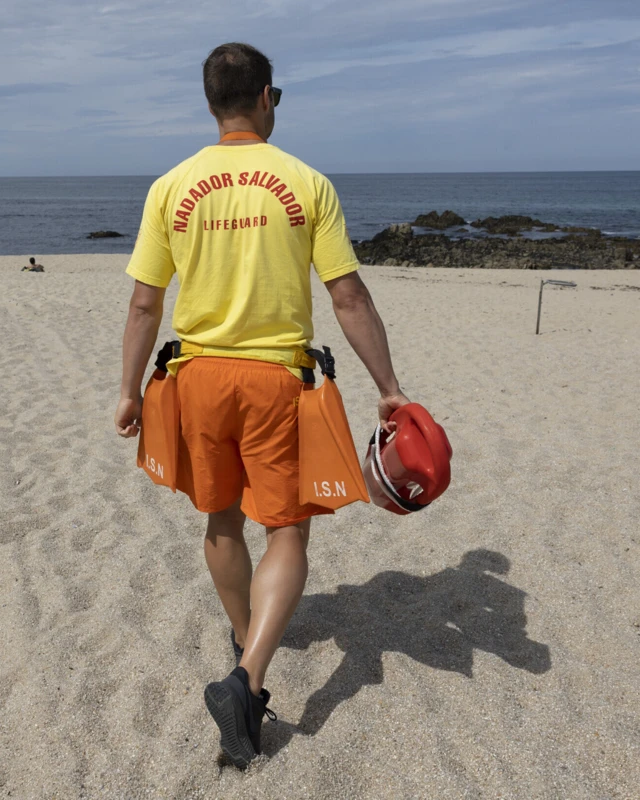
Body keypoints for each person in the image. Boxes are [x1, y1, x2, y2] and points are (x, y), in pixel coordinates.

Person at [114, 42, 409, 768]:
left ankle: (245, 637)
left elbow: (145, 303)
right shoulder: (306, 181)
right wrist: (389, 386)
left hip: (196, 379)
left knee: (221, 519)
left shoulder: (171, 186)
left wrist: (126, 391)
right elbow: (347, 296)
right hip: (277, 379)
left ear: (212, 102)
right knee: (287, 532)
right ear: (268, 97)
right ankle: (247, 677)